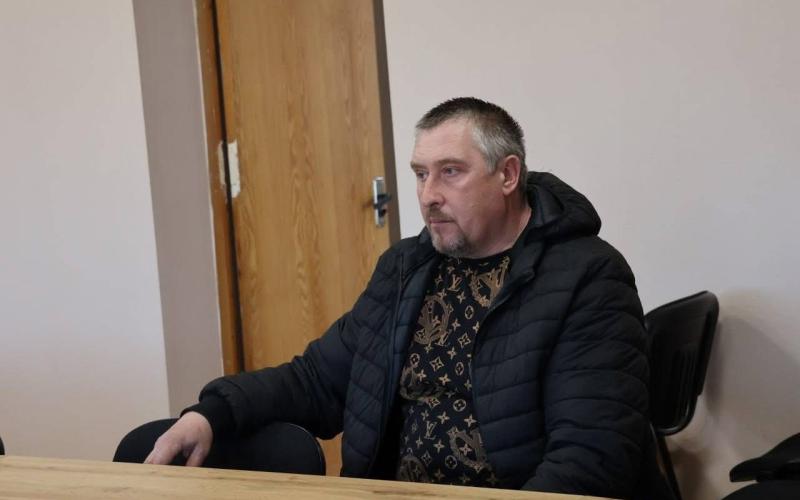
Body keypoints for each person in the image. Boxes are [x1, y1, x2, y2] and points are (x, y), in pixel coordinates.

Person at [146, 97, 666, 499]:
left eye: (451, 171)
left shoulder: (587, 276)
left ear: (508, 175)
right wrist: (211, 413)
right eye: (420, 174)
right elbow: (318, 380)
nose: (428, 195)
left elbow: (591, 458)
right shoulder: (406, 268)